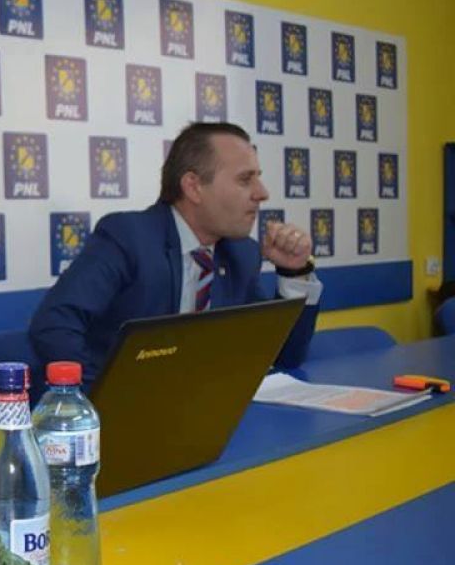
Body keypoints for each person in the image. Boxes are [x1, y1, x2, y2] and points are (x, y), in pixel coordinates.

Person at [30, 121, 321, 385]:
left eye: (258, 178)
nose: (262, 192)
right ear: (193, 187)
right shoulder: (128, 238)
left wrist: (294, 272)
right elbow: (54, 325)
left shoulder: (241, 255)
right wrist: (104, 401)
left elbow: (283, 356)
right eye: (245, 179)